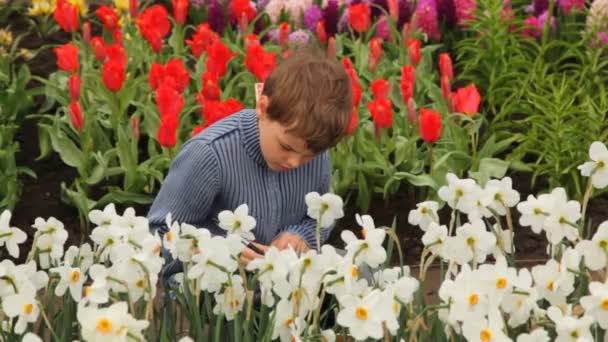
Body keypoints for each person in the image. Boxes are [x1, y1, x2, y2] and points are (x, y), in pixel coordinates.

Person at [147, 46, 353, 279]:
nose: (296, 162)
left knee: (362, 273)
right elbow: (159, 232)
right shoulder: (208, 155)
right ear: (263, 108)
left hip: (284, 280)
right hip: (214, 285)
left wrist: (300, 236)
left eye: (309, 156)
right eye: (286, 147)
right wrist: (224, 251)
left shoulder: (313, 146)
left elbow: (321, 216)